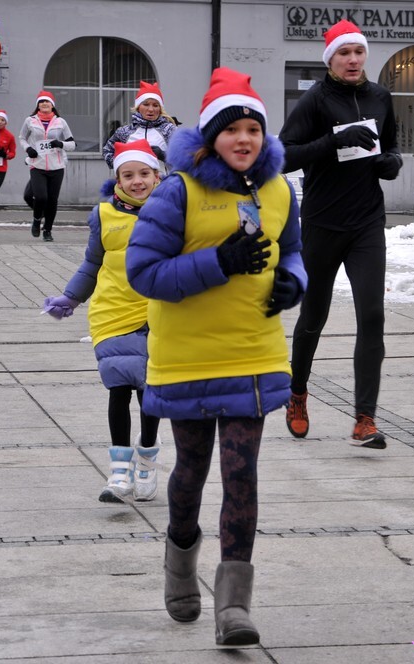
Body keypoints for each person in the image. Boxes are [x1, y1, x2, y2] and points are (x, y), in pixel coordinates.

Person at [125, 67, 306, 648]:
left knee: (241, 476)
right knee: (190, 474)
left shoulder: (279, 191)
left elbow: (294, 251)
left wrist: (292, 283)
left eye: (254, 128)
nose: (245, 139)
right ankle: (180, 563)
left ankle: (233, 605)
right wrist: (219, 263)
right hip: (187, 359)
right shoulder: (179, 191)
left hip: (253, 353)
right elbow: (143, 272)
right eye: (233, 130)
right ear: (208, 140)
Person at [278, 19, 402, 448]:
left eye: (358, 52)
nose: (352, 60)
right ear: (330, 59)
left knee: (372, 315)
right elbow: (283, 156)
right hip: (322, 222)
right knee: (314, 316)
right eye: (344, 54)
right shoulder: (315, 100)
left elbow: (391, 146)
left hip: (367, 222)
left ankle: (365, 419)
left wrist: (393, 164)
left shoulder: (380, 97)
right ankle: (297, 394)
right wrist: (332, 142)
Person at [43, 139, 163, 503]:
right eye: (128, 175)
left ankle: (146, 462)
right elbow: (92, 263)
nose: (136, 181)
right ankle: (119, 474)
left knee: (150, 393)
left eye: (144, 173)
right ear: (118, 180)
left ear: (158, 176)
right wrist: (71, 297)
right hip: (112, 312)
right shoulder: (103, 214)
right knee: (119, 388)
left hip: (158, 313)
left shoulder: (174, 211)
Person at [19, 90, 76, 242]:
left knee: (52, 200)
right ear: (38, 105)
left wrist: (60, 143)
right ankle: (37, 220)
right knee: (41, 196)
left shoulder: (60, 122)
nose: (44, 104)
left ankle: (48, 230)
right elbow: (22, 138)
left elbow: (72, 144)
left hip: (56, 166)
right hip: (37, 165)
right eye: (41, 102)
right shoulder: (30, 121)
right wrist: (28, 149)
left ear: (52, 105)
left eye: (47, 102)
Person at [102, 81, 178, 173]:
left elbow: (185, 159)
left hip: (162, 185)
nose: (150, 109)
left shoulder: (169, 130)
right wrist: (121, 165)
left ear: (160, 109)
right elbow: (107, 150)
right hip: (132, 186)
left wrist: (164, 156)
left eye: (155, 105)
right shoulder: (124, 132)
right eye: (146, 104)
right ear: (138, 107)